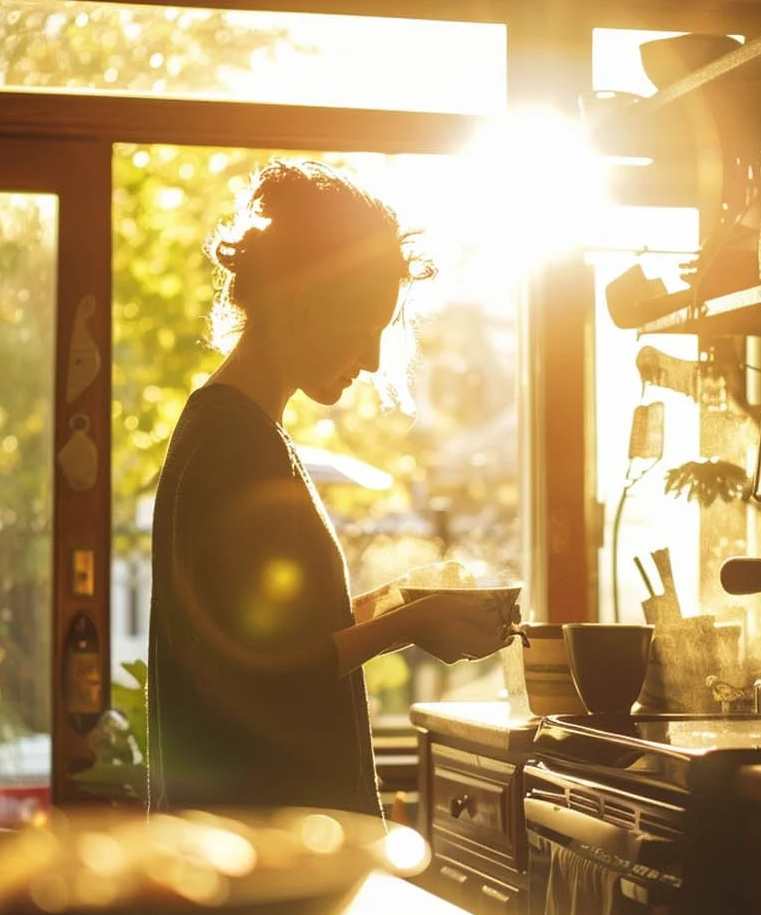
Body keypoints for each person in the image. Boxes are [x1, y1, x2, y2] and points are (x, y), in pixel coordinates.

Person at [147, 159, 513, 817]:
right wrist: (414, 623)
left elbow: (281, 640)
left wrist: (402, 599)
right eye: (365, 327)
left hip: (260, 840)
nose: (373, 359)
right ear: (305, 303)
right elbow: (259, 675)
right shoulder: (235, 444)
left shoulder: (243, 430)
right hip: (259, 847)